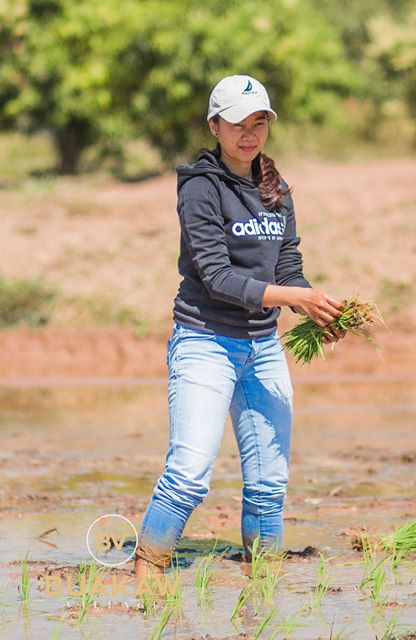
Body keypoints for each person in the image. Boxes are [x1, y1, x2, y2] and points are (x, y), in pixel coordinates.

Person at [134, 75, 344, 577]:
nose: (249, 134)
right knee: (189, 474)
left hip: (263, 346)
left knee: (270, 478)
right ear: (214, 125)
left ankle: (263, 580)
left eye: (259, 123)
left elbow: (288, 266)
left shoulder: (277, 189)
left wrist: (313, 306)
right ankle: (146, 572)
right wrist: (293, 296)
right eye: (237, 124)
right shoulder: (200, 189)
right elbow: (218, 277)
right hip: (205, 341)